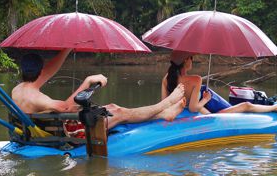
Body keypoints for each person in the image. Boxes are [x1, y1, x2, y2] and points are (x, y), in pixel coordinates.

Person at [12, 49, 186, 130]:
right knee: (119, 111)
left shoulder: (18, 90)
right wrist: (88, 82)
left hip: (44, 129)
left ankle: (164, 114)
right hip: (72, 133)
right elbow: (68, 108)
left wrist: (67, 49)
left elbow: (49, 70)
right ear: (40, 71)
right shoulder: (38, 98)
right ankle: (166, 104)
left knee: (109, 107)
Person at [161, 50, 277, 114]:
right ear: (185, 61)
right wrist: (206, 99)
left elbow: (164, 104)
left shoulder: (166, 79)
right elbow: (193, 108)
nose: (192, 60)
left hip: (198, 111)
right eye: (191, 58)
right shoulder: (195, 79)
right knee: (246, 105)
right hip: (210, 114)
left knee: (233, 104)